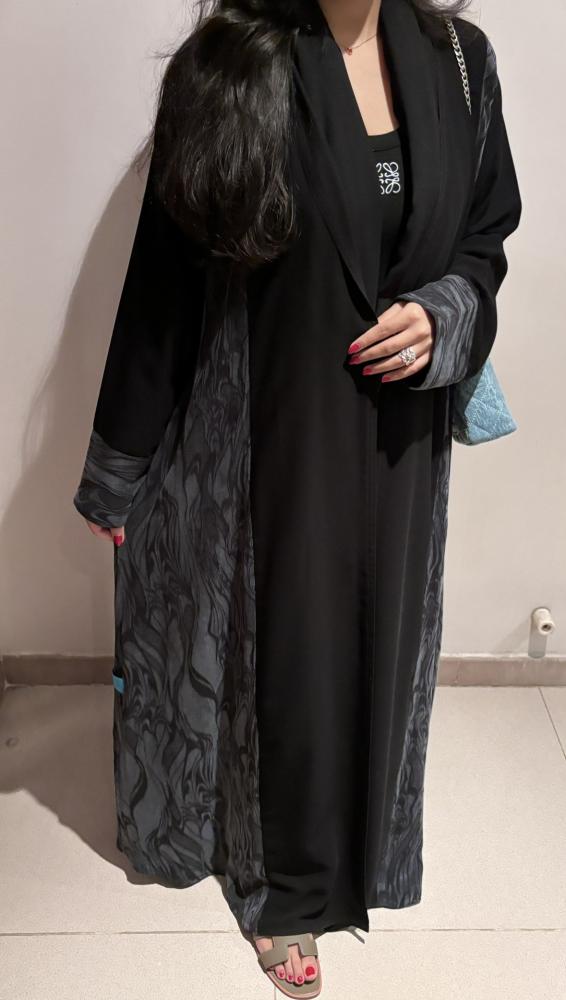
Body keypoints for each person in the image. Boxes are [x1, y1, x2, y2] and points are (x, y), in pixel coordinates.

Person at [73, 0, 522, 995]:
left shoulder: (458, 60)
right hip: (271, 424)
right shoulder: (229, 65)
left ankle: (365, 845)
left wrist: (448, 312)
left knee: (382, 645)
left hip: (402, 438)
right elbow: (162, 286)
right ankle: (289, 887)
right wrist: (121, 466)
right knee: (289, 652)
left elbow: (485, 234)